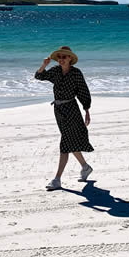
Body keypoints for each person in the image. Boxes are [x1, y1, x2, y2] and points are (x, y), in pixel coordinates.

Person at [35, 45, 94, 190]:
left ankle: (57, 179)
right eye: (59, 57)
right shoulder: (55, 71)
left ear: (70, 58)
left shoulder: (76, 73)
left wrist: (86, 109)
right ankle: (85, 167)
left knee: (65, 143)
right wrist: (44, 65)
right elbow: (39, 76)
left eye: (64, 57)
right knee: (70, 140)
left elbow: (83, 92)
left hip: (71, 109)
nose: (61, 59)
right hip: (58, 110)